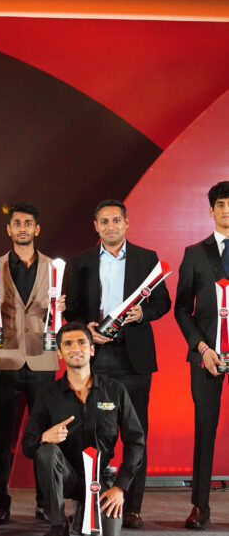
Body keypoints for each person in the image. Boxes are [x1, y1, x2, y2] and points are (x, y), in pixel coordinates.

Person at [64, 199, 170, 529]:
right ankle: (89, 503)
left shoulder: (146, 258)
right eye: (104, 221)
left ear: (126, 223)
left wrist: (144, 313)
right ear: (95, 226)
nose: (111, 226)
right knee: (91, 432)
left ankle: (132, 506)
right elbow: (73, 309)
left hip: (133, 357)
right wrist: (86, 329)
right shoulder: (81, 261)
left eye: (116, 220)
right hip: (96, 358)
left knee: (136, 432)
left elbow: (164, 302)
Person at [0, 201, 64, 525]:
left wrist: (61, 310)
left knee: (45, 436)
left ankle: (45, 503)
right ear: (9, 229)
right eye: (17, 223)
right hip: (7, 357)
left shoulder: (54, 267)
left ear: (37, 228)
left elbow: (59, 315)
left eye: (28, 223)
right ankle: (0, 504)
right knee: (1, 440)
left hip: (43, 360)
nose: (22, 228)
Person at [22, 322, 145, 536]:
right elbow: (28, 445)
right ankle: (58, 524)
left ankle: (82, 514)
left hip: (100, 479)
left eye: (81, 342)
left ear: (91, 348)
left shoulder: (114, 390)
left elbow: (135, 440)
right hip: (66, 477)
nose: (75, 348)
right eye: (68, 344)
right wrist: (44, 437)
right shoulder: (47, 394)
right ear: (60, 353)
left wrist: (120, 487)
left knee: (106, 531)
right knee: (47, 451)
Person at [174, 180, 229, 530]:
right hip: (208, 355)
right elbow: (181, 309)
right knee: (204, 431)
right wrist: (202, 348)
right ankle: (200, 506)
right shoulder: (195, 253)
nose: (226, 209)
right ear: (211, 210)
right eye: (220, 204)